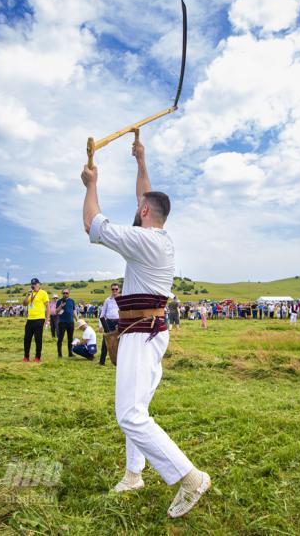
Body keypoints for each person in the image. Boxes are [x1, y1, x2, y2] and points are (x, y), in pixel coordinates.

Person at [81, 137, 210, 518]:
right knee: (137, 407)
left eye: (139, 209)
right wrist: (141, 161)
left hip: (141, 334)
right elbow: (146, 196)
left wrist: (91, 184)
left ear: (143, 213)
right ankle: (134, 474)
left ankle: (188, 477)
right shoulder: (159, 238)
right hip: (151, 332)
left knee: (130, 415)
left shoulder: (143, 241)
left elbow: (91, 223)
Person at [22, 278, 50, 362]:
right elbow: (24, 304)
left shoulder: (43, 293)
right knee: (27, 338)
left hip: (39, 319)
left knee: (38, 339)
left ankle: (38, 357)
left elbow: (48, 307)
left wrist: (47, 319)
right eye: (32, 284)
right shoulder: (30, 293)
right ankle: (26, 357)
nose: (33, 285)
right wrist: (27, 295)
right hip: (30, 319)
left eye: (35, 284)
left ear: (39, 284)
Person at [99, 283, 121, 365]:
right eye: (113, 289)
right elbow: (102, 314)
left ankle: (118, 361)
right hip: (108, 322)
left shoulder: (121, 299)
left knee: (119, 342)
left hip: (119, 322)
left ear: (118, 290)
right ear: (111, 290)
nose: (114, 291)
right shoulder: (107, 300)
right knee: (106, 341)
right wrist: (101, 325)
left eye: (116, 289)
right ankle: (102, 361)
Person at [56, 289, 76, 358]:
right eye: (64, 293)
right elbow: (56, 312)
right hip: (62, 322)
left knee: (70, 338)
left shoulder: (72, 301)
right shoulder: (59, 301)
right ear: (62, 293)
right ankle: (59, 354)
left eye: (66, 293)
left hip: (70, 322)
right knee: (60, 338)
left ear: (69, 293)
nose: (65, 294)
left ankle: (70, 353)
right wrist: (61, 305)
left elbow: (74, 311)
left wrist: (77, 319)